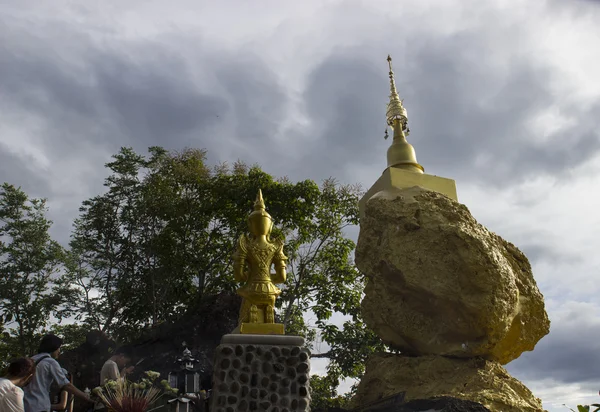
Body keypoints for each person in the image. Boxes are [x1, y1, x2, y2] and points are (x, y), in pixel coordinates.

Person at [23, 334, 91, 412]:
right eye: (59, 348)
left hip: (25, 406)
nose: (59, 351)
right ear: (54, 347)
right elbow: (66, 385)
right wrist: (85, 396)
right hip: (40, 406)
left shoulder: (30, 360)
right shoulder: (50, 362)